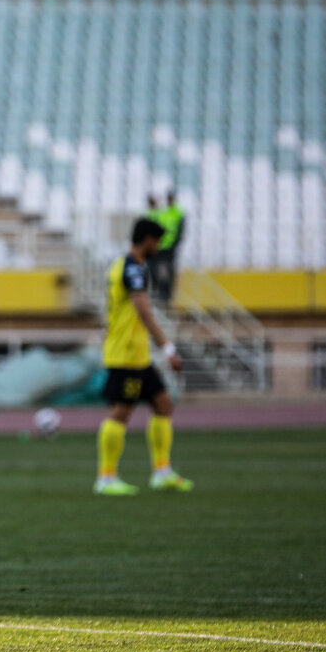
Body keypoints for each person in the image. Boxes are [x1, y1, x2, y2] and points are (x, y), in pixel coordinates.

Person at [95, 218, 194, 496]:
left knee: (163, 403)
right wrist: (168, 348)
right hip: (126, 354)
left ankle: (162, 473)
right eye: (158, 241)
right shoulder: (131, 269)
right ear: (148, 240)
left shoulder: (128, 266)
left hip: (138, 355)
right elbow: (144, 311)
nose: (159, 246)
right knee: (121, 412)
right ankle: (106, 478)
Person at [149, 191, 185, 306]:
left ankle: (166, 295)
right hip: (159, 246)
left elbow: (180, 230)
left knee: (167, 271)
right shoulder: (162, 212)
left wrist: (175, 243)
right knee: (154, 269)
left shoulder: (177, 213)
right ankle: (157, 292)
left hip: (169, 247)